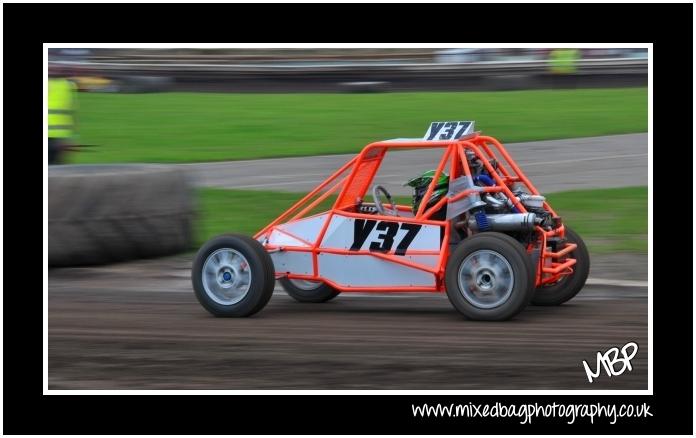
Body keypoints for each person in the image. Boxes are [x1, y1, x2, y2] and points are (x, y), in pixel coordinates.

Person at [48, 64, 77, 164]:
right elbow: (71, 112)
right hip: (60, 136)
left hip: (55, 137)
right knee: (58, 166)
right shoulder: (68, 86)